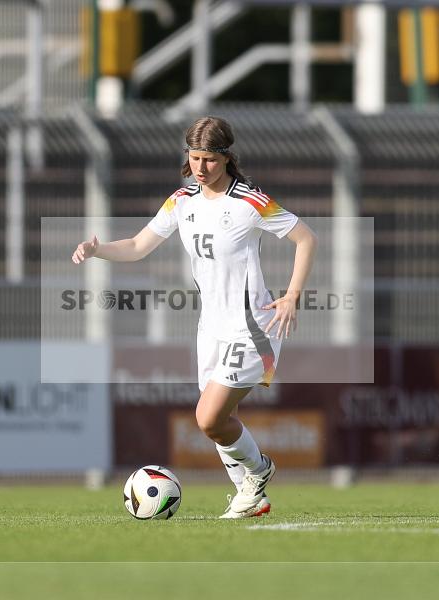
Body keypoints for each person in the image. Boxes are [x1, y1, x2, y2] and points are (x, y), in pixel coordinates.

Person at [72, 116, 317, 517]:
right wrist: (98, 250)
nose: (201, 168)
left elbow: (305, 238)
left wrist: (291, 296)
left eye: (209, 160)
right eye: (195, 158)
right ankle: (249, 495)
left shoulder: (249, 201)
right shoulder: (182, 199)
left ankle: (259, 470)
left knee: (207, 417)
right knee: (221, 421)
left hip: (253, 326)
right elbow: (137, 245)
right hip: (211, 328)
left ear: (226, 158)